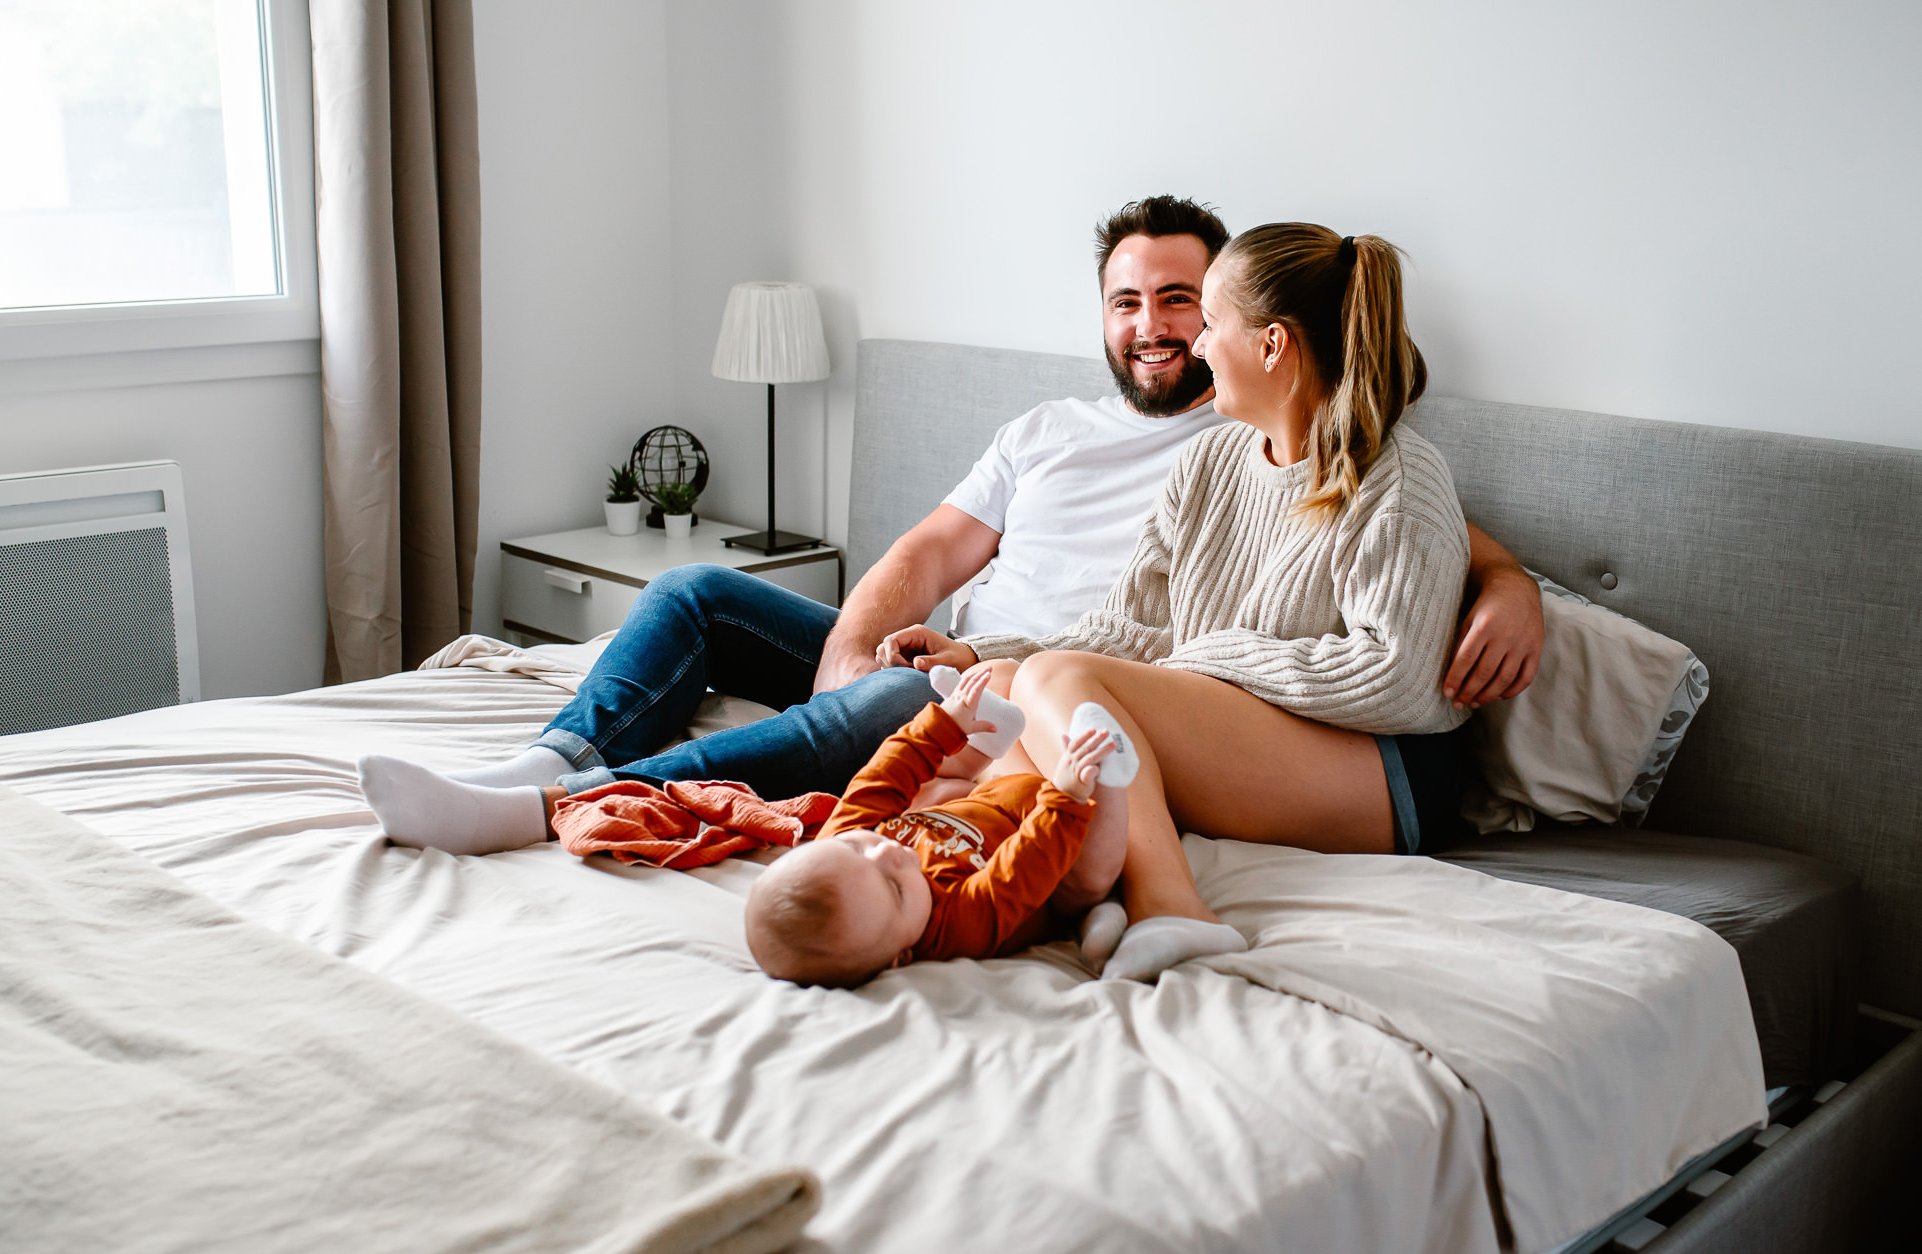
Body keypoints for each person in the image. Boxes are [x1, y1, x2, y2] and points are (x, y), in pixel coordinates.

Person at [357, 197, 1541, 851]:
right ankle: (554, 759)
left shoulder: (1283, 437)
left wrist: (1515, 588)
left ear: (1251, 326)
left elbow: (1414, 542)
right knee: (692, 591)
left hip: (1063, 689)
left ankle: (576, 807)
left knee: (902, 705)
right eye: (1129, 302)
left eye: (1186, 300)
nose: (1158, 326)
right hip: (1000, 657)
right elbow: (926, 553)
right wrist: (870, 645)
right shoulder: (1056, 429)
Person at [884, 223, 1480, 983]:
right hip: (1251, 728)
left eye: (1212, 324)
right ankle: (1073, 886)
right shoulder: (1208, 461)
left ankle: (1173, 905)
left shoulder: (1400, 482)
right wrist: (982, 653)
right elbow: (1133, 625)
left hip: (1388, 772)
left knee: (1061, 685)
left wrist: (1201, 660)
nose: (1197, 347)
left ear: (1271, 347)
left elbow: (1393, 677)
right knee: (1008, 691)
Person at [745, 668, 1131, 988]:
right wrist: (1065, 795)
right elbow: (1022, 870)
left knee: (925, 789)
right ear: (903, 955)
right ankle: (1107, 768)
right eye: (894, 888)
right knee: (1089, 877)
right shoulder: (952, 926)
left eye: (858, 849)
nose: (888, 852)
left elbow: (881, 779)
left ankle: (987, 732)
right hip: (1050, 855)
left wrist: (941, 726)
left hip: (983, 800)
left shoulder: (838, 843)